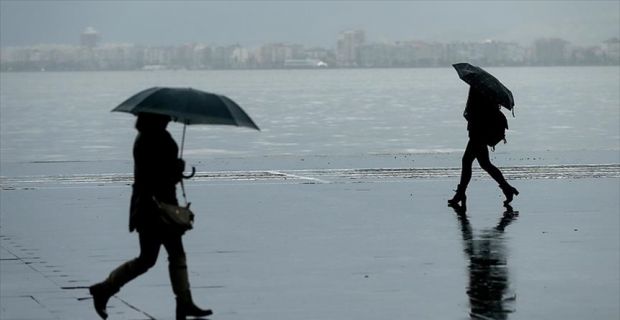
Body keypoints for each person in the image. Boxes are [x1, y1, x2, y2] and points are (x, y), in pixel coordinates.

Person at [89, 113, 212, 320]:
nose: (170, 119)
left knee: (163, 256)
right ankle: (105, 288)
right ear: (156, 119)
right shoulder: (152, 139)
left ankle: (183, 303)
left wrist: (174, 169)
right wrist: (176, 169)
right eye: (166, 117)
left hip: (152, 207)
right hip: (154, 209)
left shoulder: (149, 137)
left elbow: (157, 173)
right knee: (156, 257)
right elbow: (157, 176)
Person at [448, 88, 519, 209]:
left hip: (479, 133)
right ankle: (507, 189)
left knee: (467, 161)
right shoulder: (483, 91)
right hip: (480, 132)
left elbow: (478, 112)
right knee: (485, 164)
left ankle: (461, 193)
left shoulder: (480, 91)